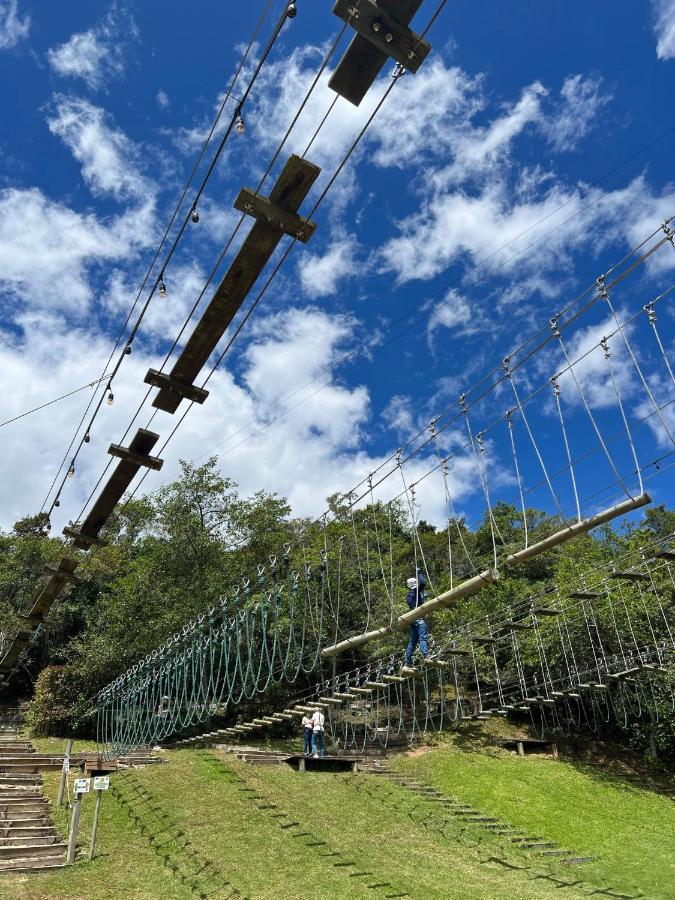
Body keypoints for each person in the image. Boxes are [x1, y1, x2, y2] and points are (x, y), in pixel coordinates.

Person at [404, 568, 429, 668]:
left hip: (413, 620)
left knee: (413, 642)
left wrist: (423, 598)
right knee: (422, 637)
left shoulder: (409, 595)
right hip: (418, 619)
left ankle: (408, 661)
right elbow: (422, 583)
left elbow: (415, 602)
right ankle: (426, 655)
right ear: (415, 584)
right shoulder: (415, 590)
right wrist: (419, 573)